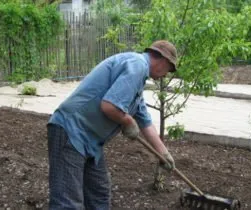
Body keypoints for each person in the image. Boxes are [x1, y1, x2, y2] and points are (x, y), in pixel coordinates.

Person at [47, 40, 178, 210]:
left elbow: (145, 120)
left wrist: (163, 153)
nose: (166, 75)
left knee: (99, 194)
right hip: (71, 130)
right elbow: (109, 106)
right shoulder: (137, 65)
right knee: (68, 202)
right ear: (162, 60)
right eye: (169, 68)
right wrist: (128, 121)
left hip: (90, 141)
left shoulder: (138, 81)